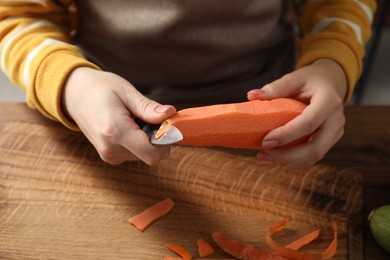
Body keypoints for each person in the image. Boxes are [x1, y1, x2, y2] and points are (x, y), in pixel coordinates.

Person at [0, 0, 376, 166]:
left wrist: (332, 64)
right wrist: (71, 84)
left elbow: (337, 2)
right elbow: (16, 18)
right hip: (99, 116)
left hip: (275, 112)